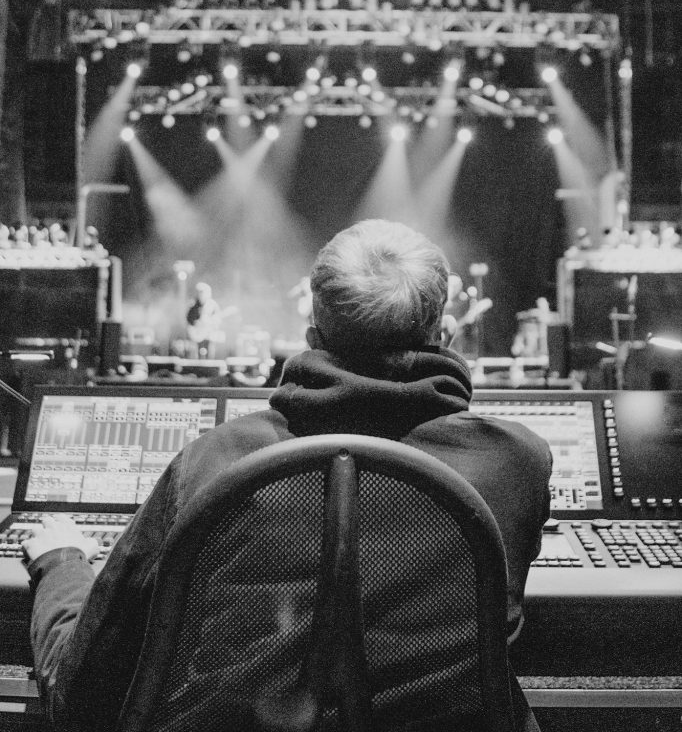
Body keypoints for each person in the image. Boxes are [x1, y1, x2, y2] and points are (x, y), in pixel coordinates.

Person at [24, 219, 551, 731]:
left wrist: (62, 562)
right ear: (447, 334)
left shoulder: (215, 461)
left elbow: (82, 689)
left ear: (312, 335)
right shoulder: (518, 462)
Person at [185, 281, 224, 358]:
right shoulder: (193, 304)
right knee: (197, 351)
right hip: (197, 333)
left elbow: (217, 320)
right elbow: (189, 318)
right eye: (200, 292)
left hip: (209, 333)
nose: (201, 294)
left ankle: (209, 366)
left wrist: (212, 323)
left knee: (209, 349)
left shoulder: (213, 305)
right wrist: (196, 323)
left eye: (203, 292)